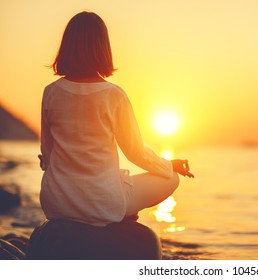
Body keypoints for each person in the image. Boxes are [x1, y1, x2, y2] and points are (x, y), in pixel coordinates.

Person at [38, 11, 194, 227]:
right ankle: (124, 214)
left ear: (67, 46)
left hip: (56, 203)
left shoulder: (51, 92)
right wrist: (168, 165)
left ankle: (121, 206)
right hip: (101, 204)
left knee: (119, 181)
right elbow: (135, 152)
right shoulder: (113, 95)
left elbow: (47, 155)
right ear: (102, 47)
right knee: (171, 179)